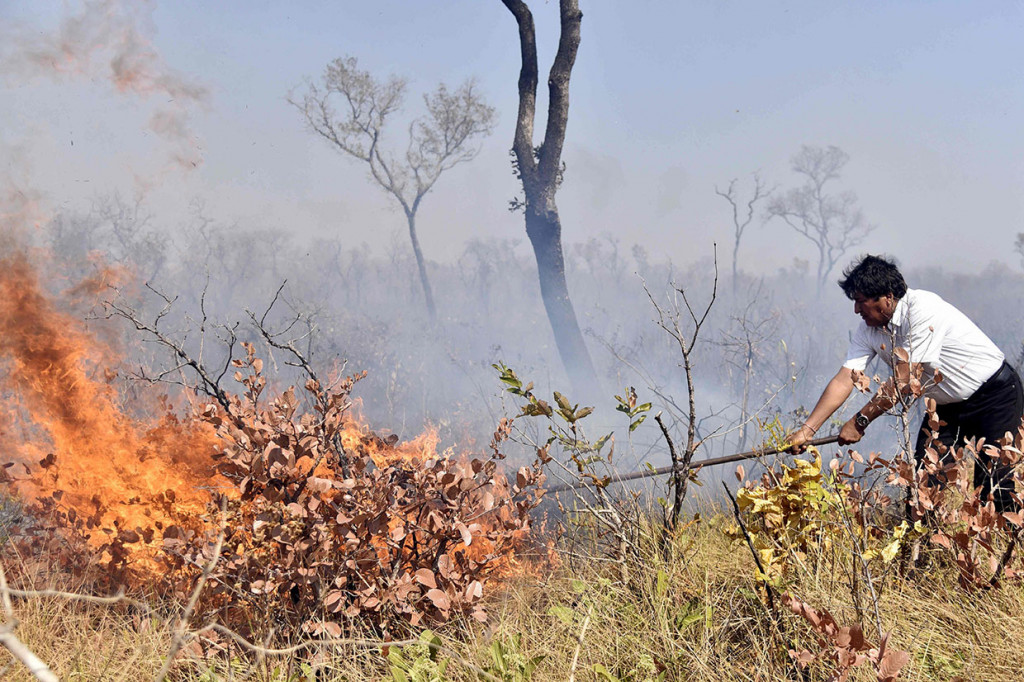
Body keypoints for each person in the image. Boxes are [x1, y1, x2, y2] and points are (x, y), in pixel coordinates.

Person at [787, 254, 1024, 511]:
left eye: (860, 302)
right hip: (945, 408)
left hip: (996, 395)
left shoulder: (922, 308)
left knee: (995, 486)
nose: (856, 310)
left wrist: (859, 422)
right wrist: (807, 430)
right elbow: (846, 377)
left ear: (887, 297)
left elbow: (904, 380)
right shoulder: (868, 329)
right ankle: (922, 549)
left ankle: (1007, 548)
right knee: (923, 486)